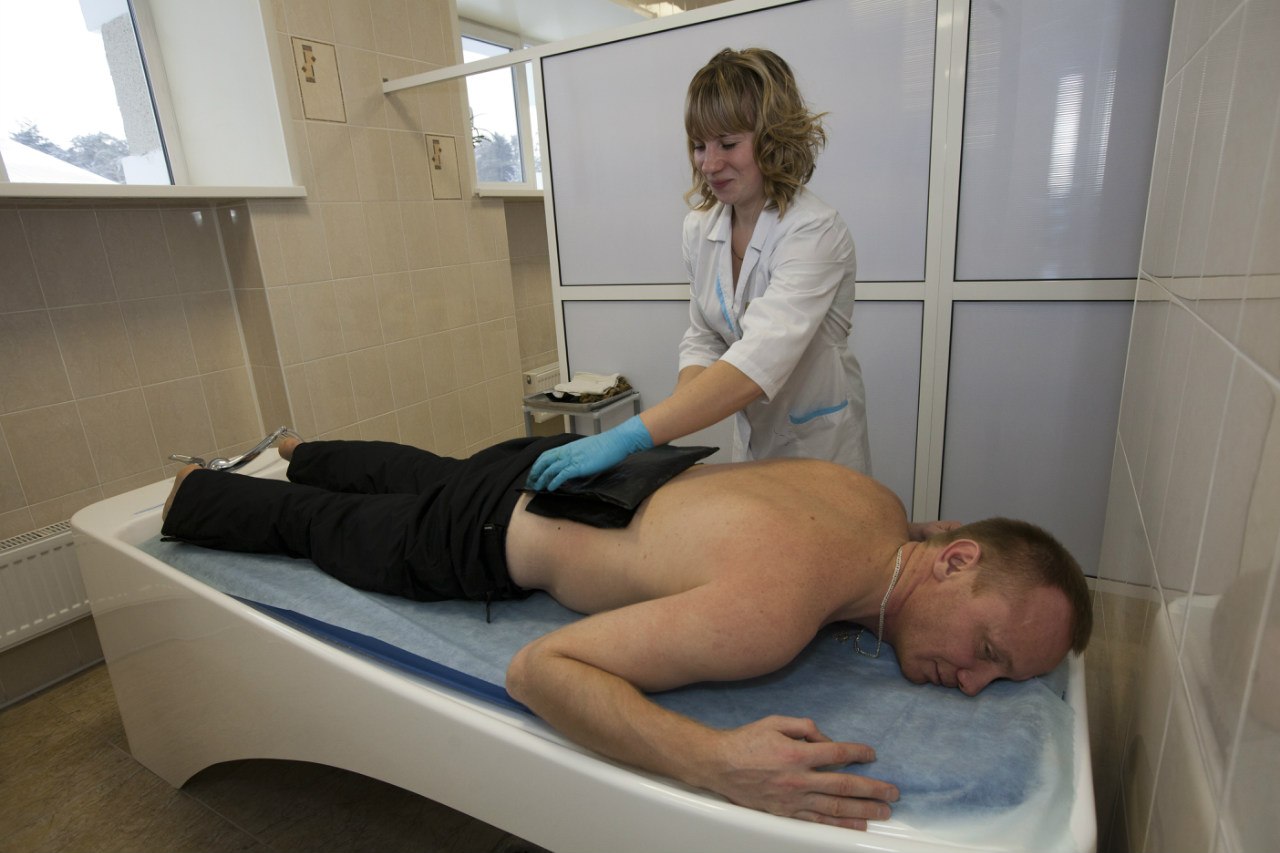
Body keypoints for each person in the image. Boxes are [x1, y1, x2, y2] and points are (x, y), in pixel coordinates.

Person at [161, 433, 1092, 831]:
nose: (975, 681)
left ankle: (305, 449)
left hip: (553, 466)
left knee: (435, 469)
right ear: (955, 558)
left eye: (999, 676)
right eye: (988, 650)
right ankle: (195, 490)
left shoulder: (874, 500)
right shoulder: (770, 615)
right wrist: (716, 762)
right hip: (482, 536)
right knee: (328, 528)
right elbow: (541, 667)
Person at [528, 47, 871, 492]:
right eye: (698, 145)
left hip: (820, 447)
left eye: (727, 144)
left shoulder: (814, 231)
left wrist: (635, 435)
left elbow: (756, 362)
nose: (709, 164)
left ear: (773, 137)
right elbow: (706, 336)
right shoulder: (701, 228)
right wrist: (676, 417)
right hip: (754, 442)